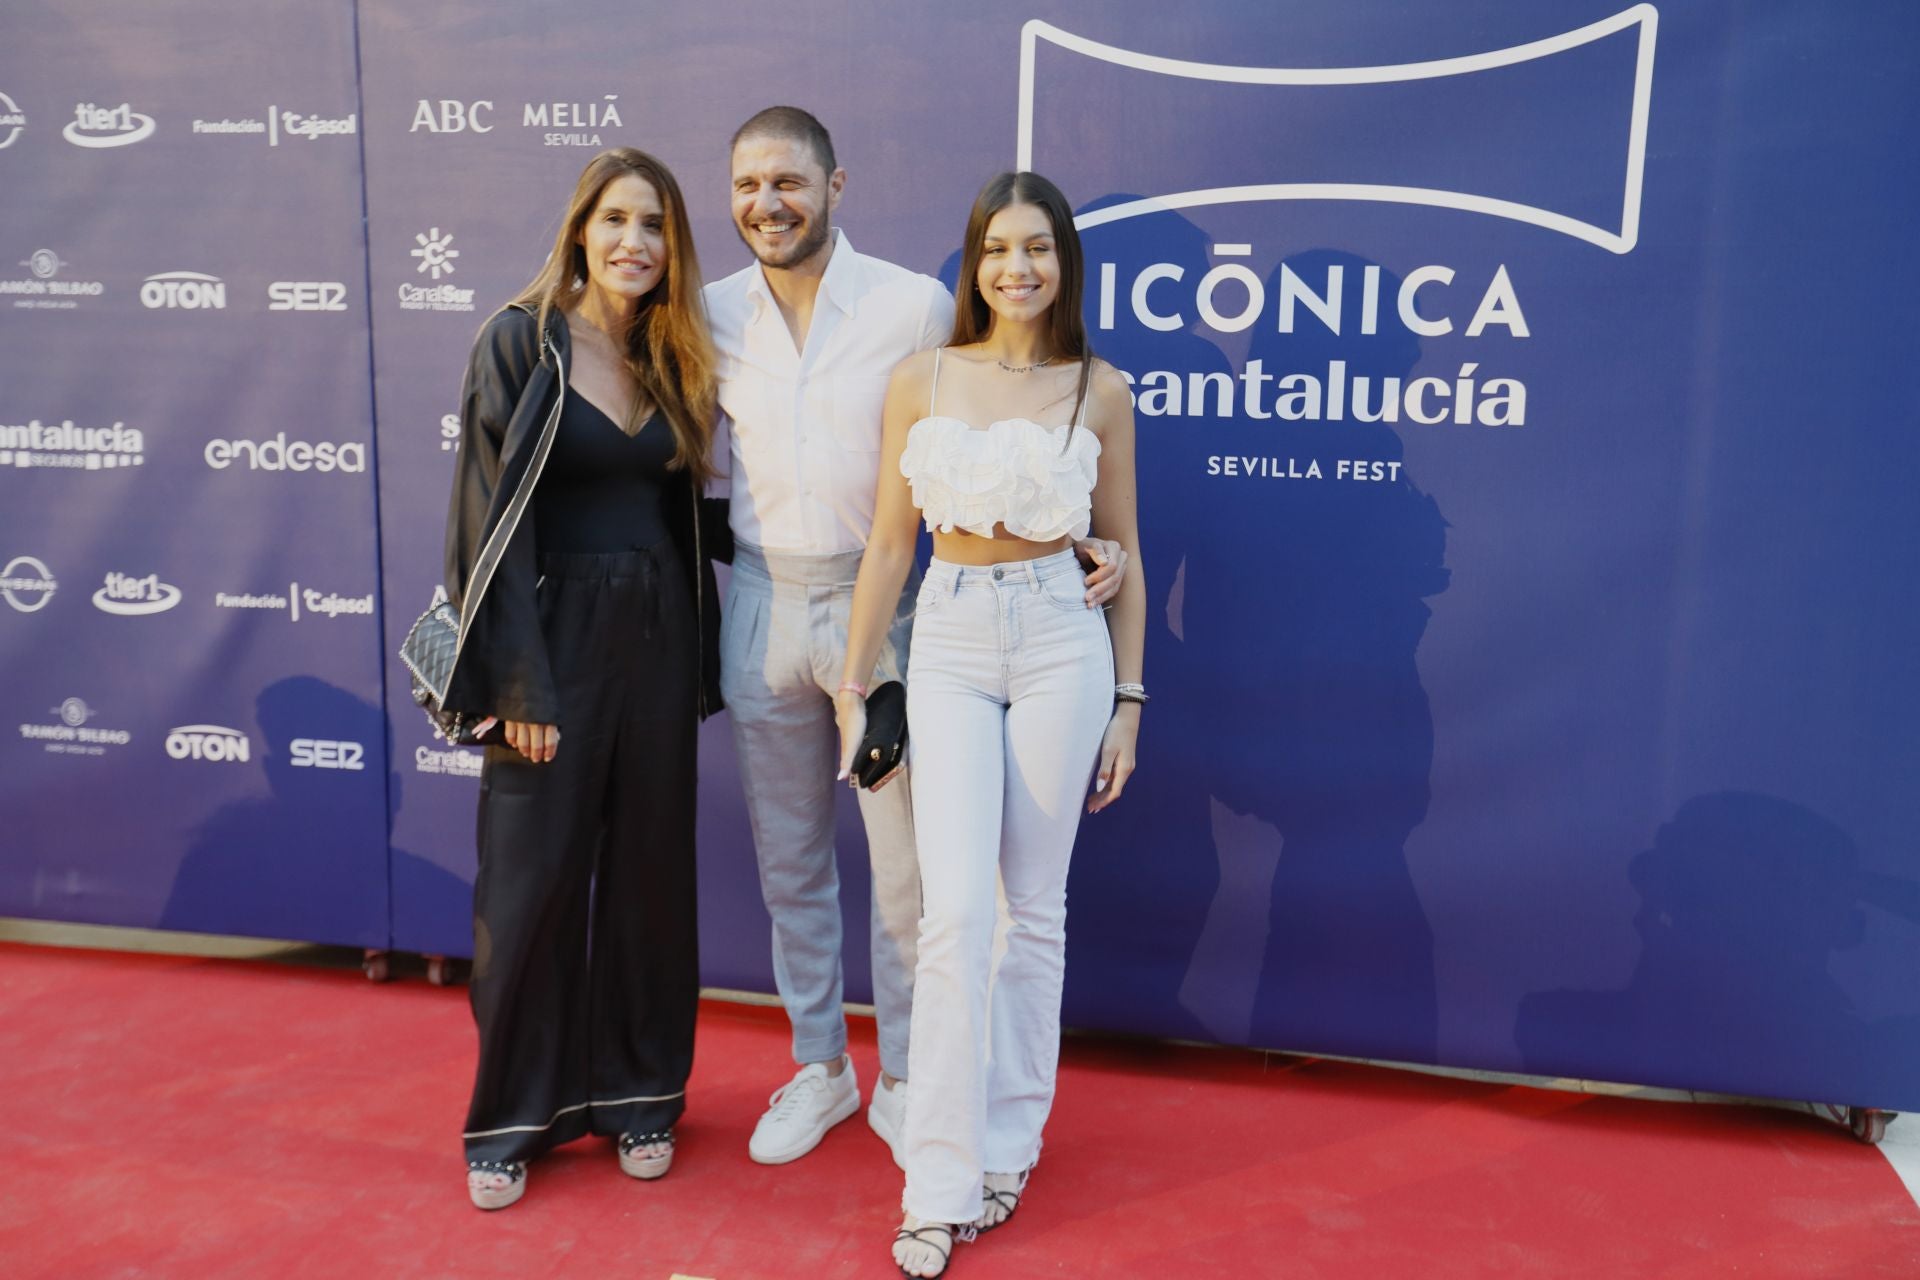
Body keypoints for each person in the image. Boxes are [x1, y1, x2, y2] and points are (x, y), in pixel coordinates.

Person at [704, 108, 1129, 1170]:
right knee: (790, 858)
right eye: (751, 184)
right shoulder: (707, 315)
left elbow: (988, 439)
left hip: (890, 613)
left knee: (912, 877)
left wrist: (1077, 548)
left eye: (790, 181)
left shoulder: (913, 307)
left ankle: (905, 1074)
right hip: (760, 601)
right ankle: (819, 1065)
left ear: (835, 185)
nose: (771, 202)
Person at [835, 171, 1146, 1278]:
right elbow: (886, 546)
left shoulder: (1098, 389)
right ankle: (938, 1178)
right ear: (972, 261)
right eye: (998, 248)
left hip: (1065, 639)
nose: (1019, 267)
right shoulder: (921, 378)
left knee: (1033, 913)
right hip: (953, 638)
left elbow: (1126, 552)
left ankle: (1009, 1145)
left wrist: (1129, 700)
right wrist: (855, 680)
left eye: (1040, 249)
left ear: (1065, 263)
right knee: (955, 913)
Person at [441, 147, 726, 1210]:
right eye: (615, 220)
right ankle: (511, 1117)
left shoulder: (673, 354)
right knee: (529, 887)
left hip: (654, 640)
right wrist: (519, 685)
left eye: (654, 225)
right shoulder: (522, 340)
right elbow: (483, 522)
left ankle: (643, 1094)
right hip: (550, 644)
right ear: (579, 229)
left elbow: (690, 515)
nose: (634, 242)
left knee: (652, 874)